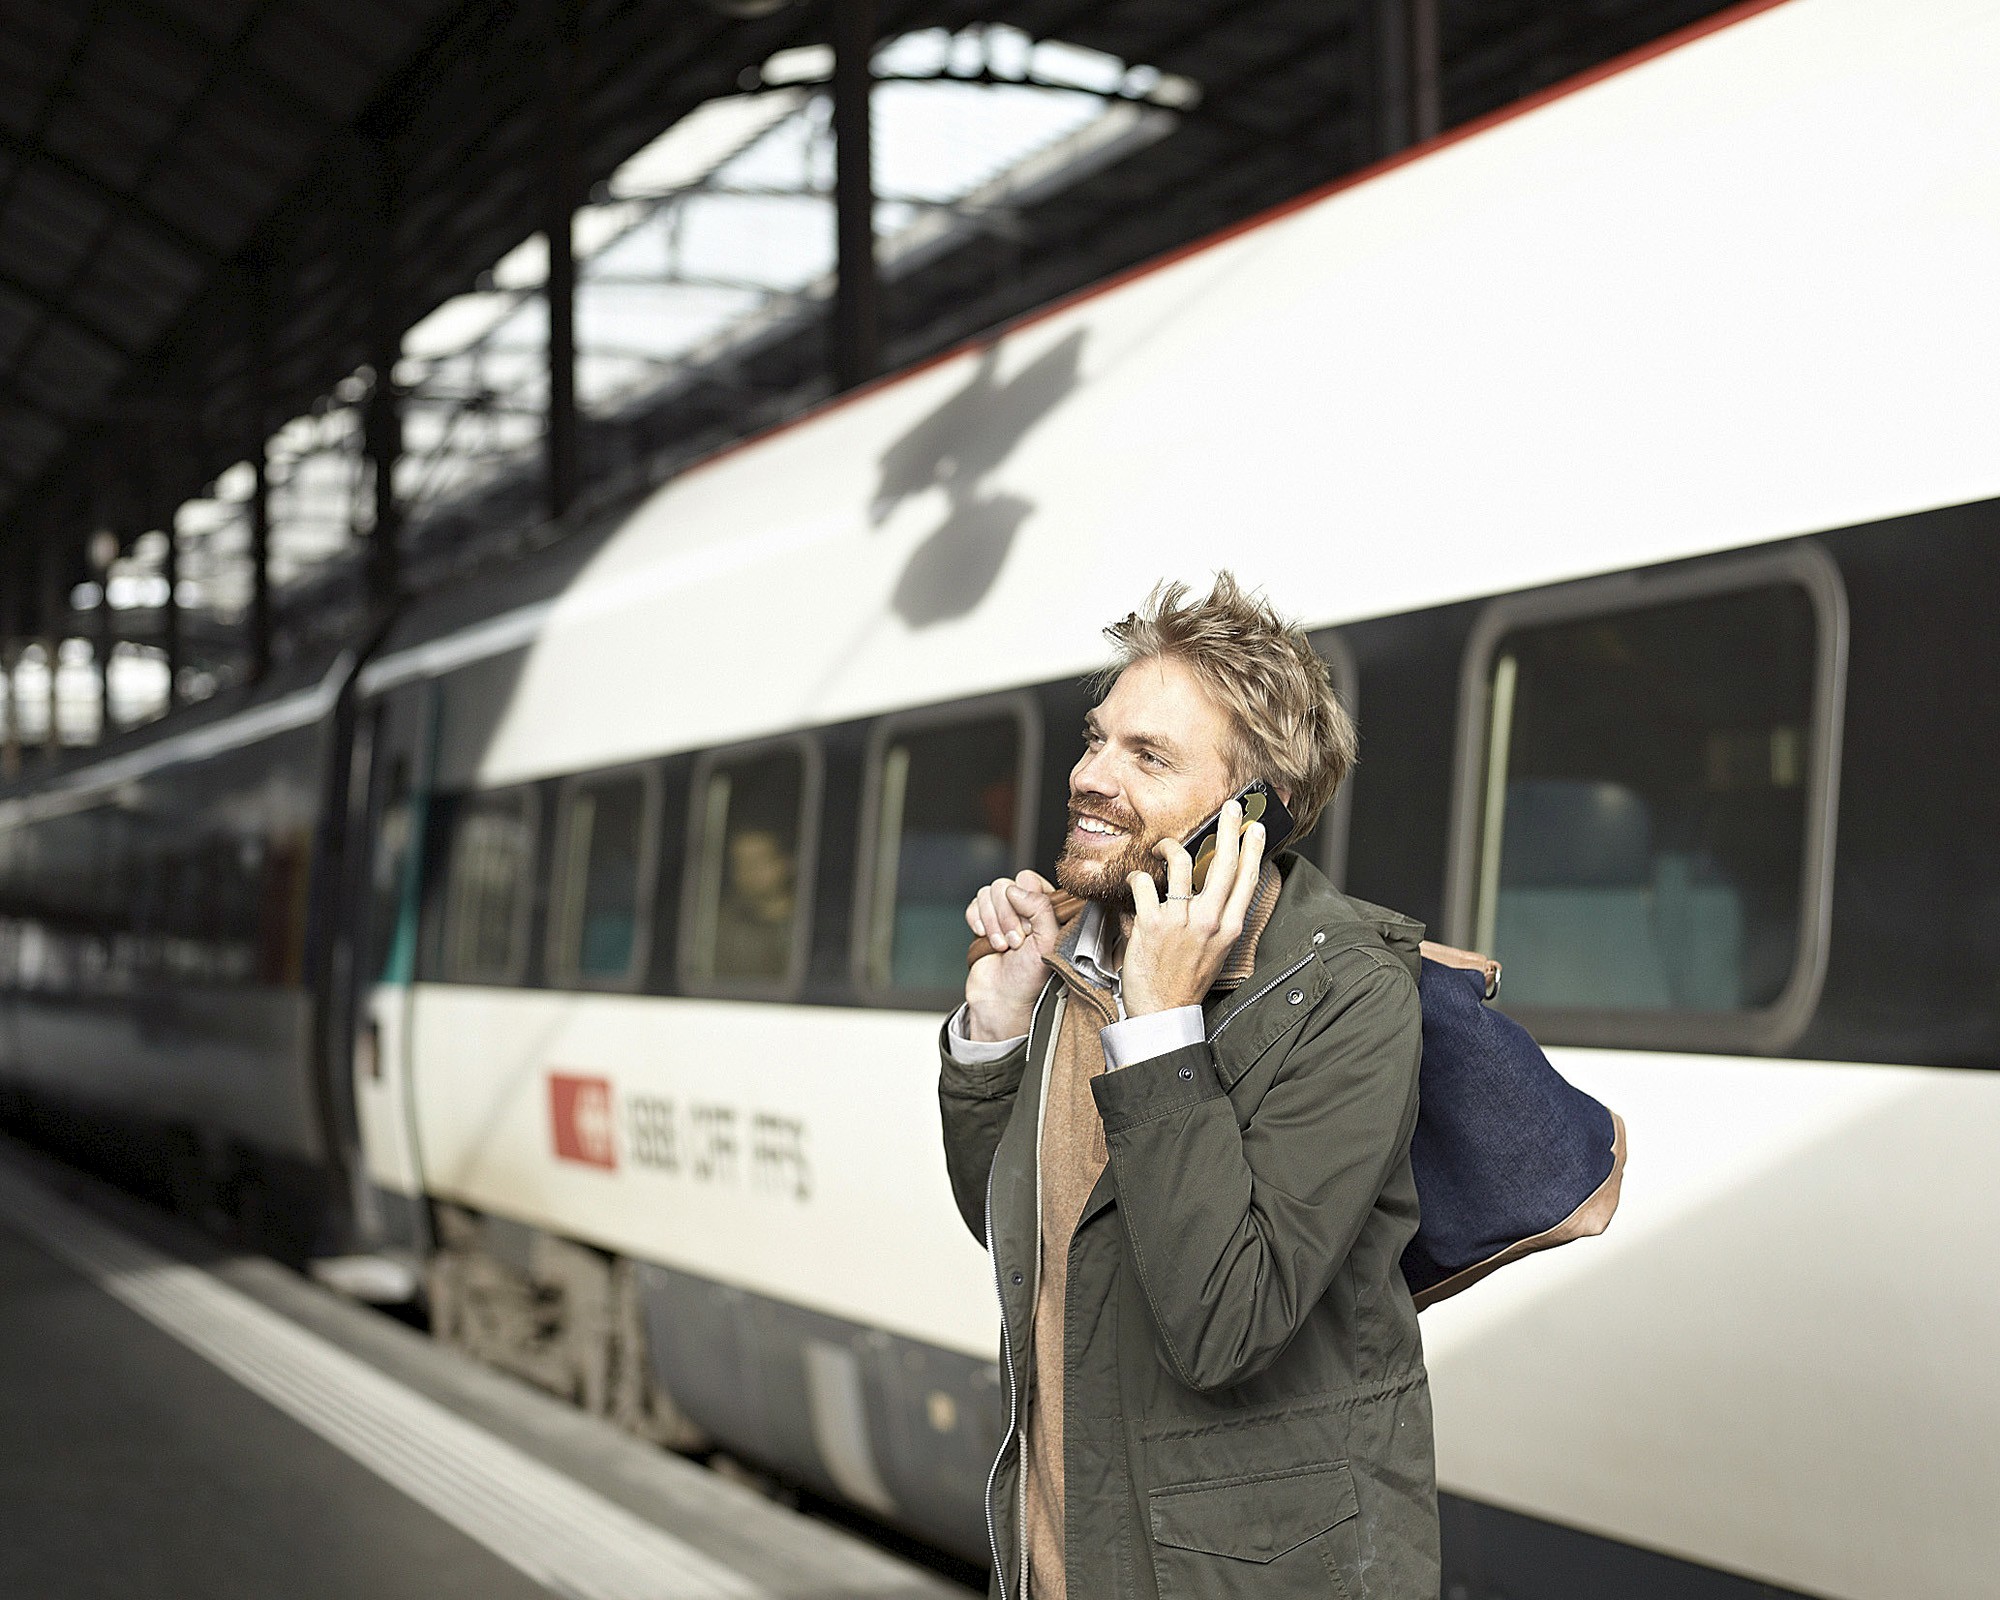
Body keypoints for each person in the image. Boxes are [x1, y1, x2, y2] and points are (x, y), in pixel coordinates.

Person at [938, 574, 1437, 1600]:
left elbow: (1224, 1326)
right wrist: (994, 1029)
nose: (1089, 776)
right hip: (1060, 1562)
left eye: (1148, 756)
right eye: (1095, 740)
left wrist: (1162, 1030)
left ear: (1254, 812)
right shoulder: (1079, 960)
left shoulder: (1348, 998)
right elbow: (1026, 1238)